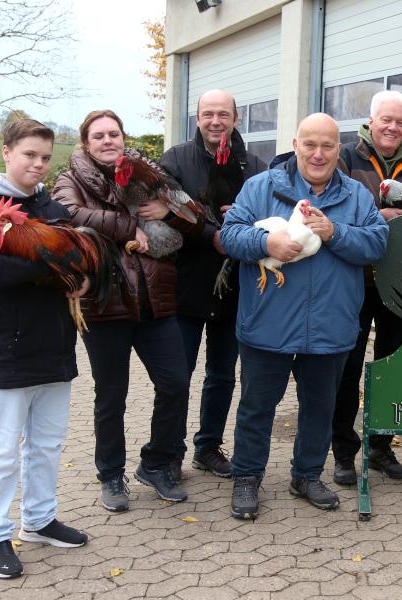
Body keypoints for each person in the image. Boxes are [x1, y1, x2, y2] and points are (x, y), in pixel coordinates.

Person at [221, 113, 388, 519]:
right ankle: (246, 477)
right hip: (268, 323)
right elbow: (229, 234)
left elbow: (377, 244)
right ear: (295, 144)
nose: (317, 154)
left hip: (330, 325)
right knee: (258, 406)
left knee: (320, 407)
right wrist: (267, 240)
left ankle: (307, 474)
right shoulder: (261, 188)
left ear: (338, 148)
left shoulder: (356, 195)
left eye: (327, 145)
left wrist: (335, 233)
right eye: (309, 144)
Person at [0, 119, 88, 579]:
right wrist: (51, 266)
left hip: (54, 343)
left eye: (44, 157)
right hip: (5, 345)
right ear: (7, 152)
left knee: (48, 443)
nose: (37, 164)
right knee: (1, 449)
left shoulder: (51, 208)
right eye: (29, 154)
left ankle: (39, 519)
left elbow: (79, 259)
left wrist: (83, 278)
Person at [54, 110, 192, 512]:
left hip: (156, 302)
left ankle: (157, 463)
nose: (107, 140)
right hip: (105, 305)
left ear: (122, 136)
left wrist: (166, 216)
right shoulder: (71, 180)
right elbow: (71, 216)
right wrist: (130, 224)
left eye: (113, 133)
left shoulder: (145, 172)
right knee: (111, 396)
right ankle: (111, 474)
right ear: (86, 142)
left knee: (176, 383)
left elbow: (186, 216)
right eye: (98, 136)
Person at [158, 89, 267, 479]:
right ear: (198, 118)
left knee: (222, 373)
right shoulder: (174, 159)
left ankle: (208, 447)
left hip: (235, 284)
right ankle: (170, 451)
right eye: (208, 114)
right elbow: (164, 212)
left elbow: (270, 215)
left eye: (223, 114)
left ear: (236, 118)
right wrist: (208, 227)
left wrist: (245, 217)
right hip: (187, 282)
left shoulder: (254, 165)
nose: (216, 121)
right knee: (177, 375)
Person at [330, 90, 402, 486]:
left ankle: (381, 446)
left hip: (398, 283)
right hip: (354, 279)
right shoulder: (346, 158)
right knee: (347, 367)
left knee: (391, 367)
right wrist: (382, 214)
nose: (392, 127)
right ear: (370, 120)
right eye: (385, 120)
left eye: (400, 122)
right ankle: (342, 451)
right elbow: (334, 211)